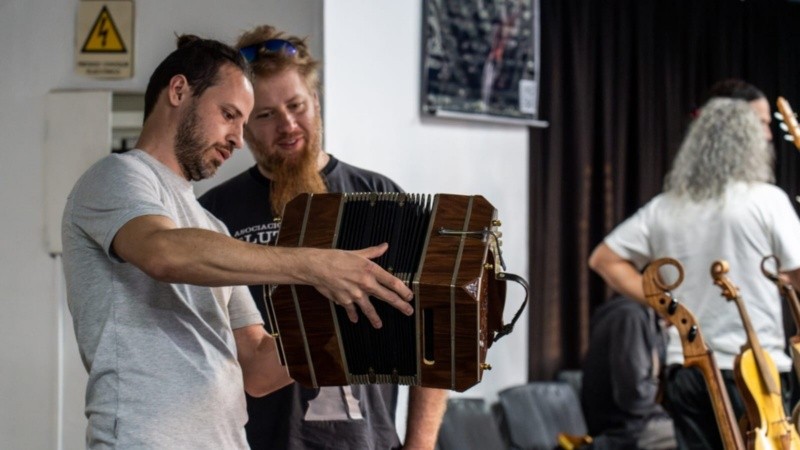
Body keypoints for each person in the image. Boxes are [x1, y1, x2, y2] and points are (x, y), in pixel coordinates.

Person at [61, 34, 416, 449]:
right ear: (178, 91)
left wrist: (369, 316)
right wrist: (316, 265)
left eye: (243, 123)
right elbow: (163, 252)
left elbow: (259, 366)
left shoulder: (212, 226)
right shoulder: (116, 177)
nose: (236, 138)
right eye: (229, 114)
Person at [198, 25, 448, 449]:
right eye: (265, 115)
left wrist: (419, 445)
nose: (288, 125)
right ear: (243, 127)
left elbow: (434, 332)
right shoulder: (217, 214)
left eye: (297, 105)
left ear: (316, 101)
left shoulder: (380, 197)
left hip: (368, 438)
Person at [588, 96, 800, 449]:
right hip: (755, 368)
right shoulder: (767, 200)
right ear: (747, 145)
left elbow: (604, 259)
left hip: (686, 366)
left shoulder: (665, 206)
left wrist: (665, 306)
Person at [581, 293, 676, 450]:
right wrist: (675, 398)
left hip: (642, 424)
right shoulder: (629, 315)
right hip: (628, 431)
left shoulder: (648, 317)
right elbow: (634, 397)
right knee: (705, 433)